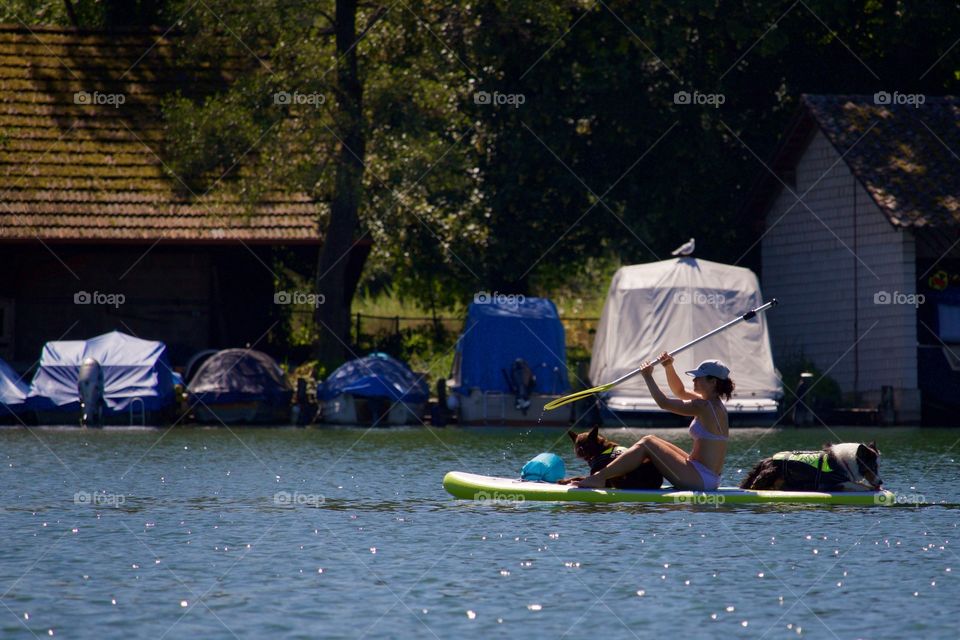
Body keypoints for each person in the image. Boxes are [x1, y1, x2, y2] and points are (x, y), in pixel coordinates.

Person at [574, 354, 733, 491]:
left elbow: (664, 403)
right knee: (652, 439)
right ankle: (602, 477)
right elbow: (680, 392)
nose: (695, 379)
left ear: (713, 382)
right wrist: (668, 366)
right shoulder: (714, 404)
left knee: (647, 442)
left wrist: (648, 376)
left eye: (700, 377)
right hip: (706, 476)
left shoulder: (704, 406)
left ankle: (599, 477)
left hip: (699, 480)